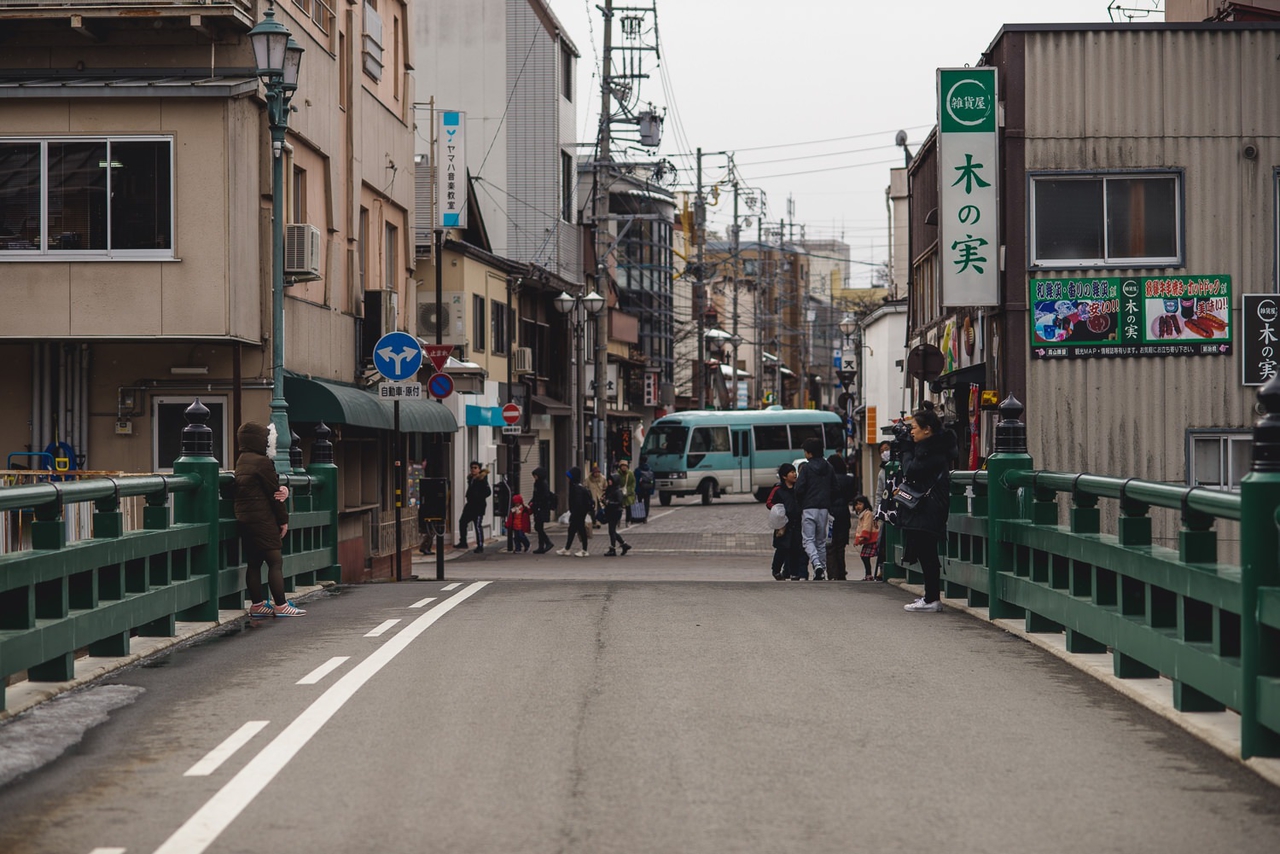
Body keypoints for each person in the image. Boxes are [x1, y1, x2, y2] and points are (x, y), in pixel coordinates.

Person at [234, 421, 304, 617]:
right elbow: (273, 494)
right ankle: (281, 605)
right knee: (275, 561)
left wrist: (280, 489)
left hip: (245, 517)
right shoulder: (263, 462)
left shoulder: (242, 460)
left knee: (254, 563)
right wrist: (283, 519)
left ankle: (257, 605)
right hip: (262, 518)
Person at [899, 407, 956, 612]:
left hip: (929, 508)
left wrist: (906, 450)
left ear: (927, 430)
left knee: (928, 553)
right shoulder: (933, 448)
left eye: (914, 428)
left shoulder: (932, 452)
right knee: (926, 553)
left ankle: (932, 599)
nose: (911, 432)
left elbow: (910, 470)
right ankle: (930, 597)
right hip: (930, 506)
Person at [793, 437, 835, 581]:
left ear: (809, 453)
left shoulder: (806, 468)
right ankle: (822, 570)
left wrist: (800, 502)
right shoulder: (829, 467)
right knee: (821, 541)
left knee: (808, 540)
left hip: (808, 508)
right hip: (824, 508)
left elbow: (799, 488)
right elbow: (835, 488)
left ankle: (816, 564)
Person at [770, 462, 805, 581]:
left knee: (796, 548)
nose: (795, 474)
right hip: (783, 525)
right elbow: (769, 503)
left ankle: (794, 573)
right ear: (784, 476)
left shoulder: (799, 489)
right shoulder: (778, 489)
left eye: (795, 472)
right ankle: (776, 570)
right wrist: (779, 511)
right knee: (782, 548)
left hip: (796, 523)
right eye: (791, 472)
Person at [826, 453, 855, 581]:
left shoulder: (827, 480)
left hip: (829, 514)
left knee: (830, 546)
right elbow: (852, 495)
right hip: (843, 513)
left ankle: (832, 574)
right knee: (840, 546)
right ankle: (841, 572)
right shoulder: (849, 480)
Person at [455, 461, 491, 553]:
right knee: (462, 522)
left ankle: (480, 545)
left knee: (477, 525)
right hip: (470, 505)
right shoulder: (471, 479)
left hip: (478, 506)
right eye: (472, 468)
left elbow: (488, 492)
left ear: (479, 469)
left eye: (475, 468)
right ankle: (463, 541)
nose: (473, 469)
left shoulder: (482, 479)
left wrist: (478, 496)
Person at [557, 466, 593, 557]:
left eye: (569, 476)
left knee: (580, 530)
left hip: (579, 513)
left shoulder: (576, 488)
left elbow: (578, 503)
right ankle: (567, 548)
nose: (567, 478)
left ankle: (584, 550)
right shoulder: (576, 486)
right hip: (578, 512)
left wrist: (574, 513)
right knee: (572, 530)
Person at [602, 473, 632, 557]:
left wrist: (609, 503)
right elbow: (607, 501)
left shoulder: (617, 491)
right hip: (610, 511)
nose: (609, 481)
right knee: (612, 531)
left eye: (611, 480)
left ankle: (613, 549)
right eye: (609, 480)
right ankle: (623, 545)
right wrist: (604, 500)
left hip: (615, 512)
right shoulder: (609, 489)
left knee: (611, 531)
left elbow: (619, 502)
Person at [853, 495, 880, 581]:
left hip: (871, 539)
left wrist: (863, 537)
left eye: (860, 504)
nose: (858, 506)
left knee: (865, 556)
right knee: (867, 556)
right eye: (856, 504)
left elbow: (866, 526)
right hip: (870, 539)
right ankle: (869, 574)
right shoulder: (862, 515)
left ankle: (869, 574)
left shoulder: (867, 514)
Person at [530, 466, 555, 554]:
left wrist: (536, 503)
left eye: (535, 475)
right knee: (539, 527)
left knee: (538, 527)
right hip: (539, 508)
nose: (534, 477)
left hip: (541, 508)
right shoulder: (538, 483)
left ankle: (547, 542)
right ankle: (541, 546)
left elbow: (543, 496)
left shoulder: (542, 484)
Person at [617, 458, 637, 526]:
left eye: (625, 466)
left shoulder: (630, 474)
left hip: (629, 494)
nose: (624, 467)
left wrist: (629, 490)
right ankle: (618, 520)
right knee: (619, 508)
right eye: (622, 466)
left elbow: (633, 483)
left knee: (629, 507)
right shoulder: (617, 474)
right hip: (620, 493)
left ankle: (627, 521)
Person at [635, 455, 655, 521]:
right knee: (647, 503)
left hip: (640, 489)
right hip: (648, 488)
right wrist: (652, 490)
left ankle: (640, 516)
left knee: (639, 502)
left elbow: (636, 481)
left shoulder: (638, 470)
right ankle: (645, 517)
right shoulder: (650, 469)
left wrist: (636, 490)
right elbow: (653, 480)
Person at [586, 463, 607, 529]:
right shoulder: (588, 479)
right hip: (592, 497)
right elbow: (586, 488)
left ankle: (598, 522)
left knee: (600, 511)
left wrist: (604, 494)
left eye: (598, 472)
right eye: (595, 473)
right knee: (592, 511)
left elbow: (605, 487)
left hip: (600, 497)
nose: (597, 474)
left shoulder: (603, 478)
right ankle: (594, 522)